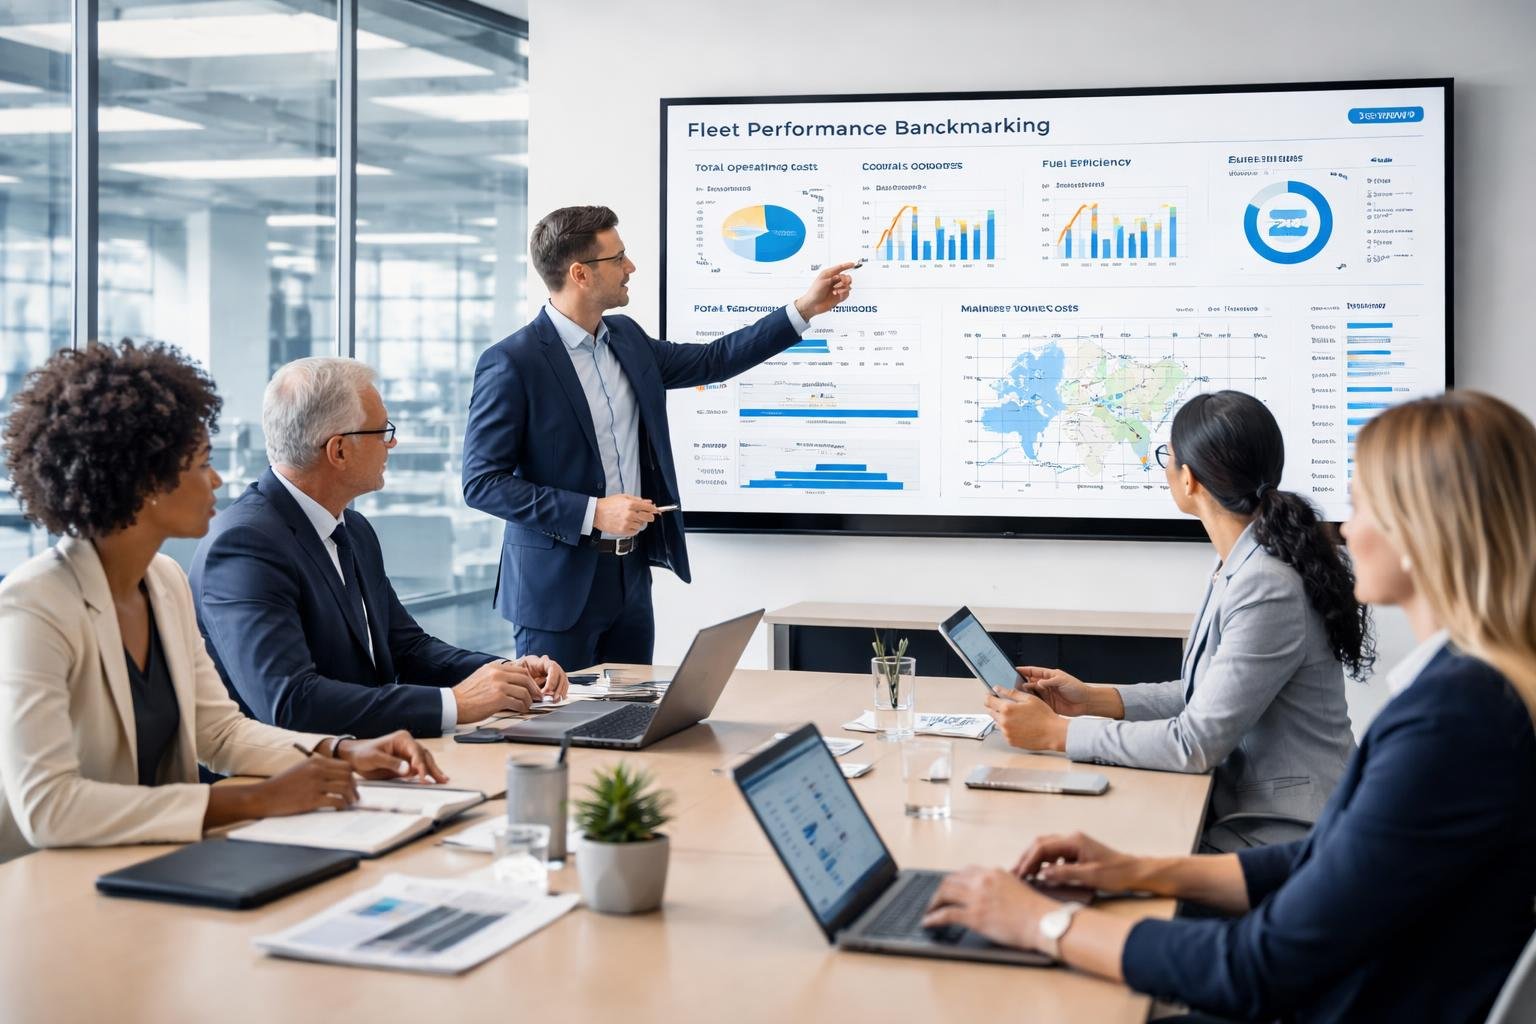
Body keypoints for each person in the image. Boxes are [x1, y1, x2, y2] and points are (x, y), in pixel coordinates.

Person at [923, 390, 1536, 1023]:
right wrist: (1135, 867)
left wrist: (1042, 921)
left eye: (1366, 504)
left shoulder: (1452, 723)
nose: (1349, 528)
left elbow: (1257, 968)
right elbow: (1320, 860)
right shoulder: (1465, 696)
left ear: (1425, 529)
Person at [0, 341, 445, 864]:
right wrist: (251, 799)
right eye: (202, 463)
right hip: (52, 884)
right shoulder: (34, 606)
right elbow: (48, 806)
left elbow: (220, 732)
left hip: (155, 857)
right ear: (146, 481)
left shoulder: (163, 581)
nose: (216, 480)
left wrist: (343, 751)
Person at [461, 205, 856, 669]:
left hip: (630, 577)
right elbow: (482, 483)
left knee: (629, 721)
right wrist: (593, 512)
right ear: (580, 274)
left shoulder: (626, 339)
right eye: (619, 258)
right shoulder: (512, 362)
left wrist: (804, 309)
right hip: (555, 590)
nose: (631, 268)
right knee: (555, 728)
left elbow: (714, 360)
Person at [985, 390, 1369, 850]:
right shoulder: (1242, 562)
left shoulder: (1266, 583)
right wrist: (1090, 699)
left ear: (1189, 480)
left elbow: (1194, 743)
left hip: (1285, 835)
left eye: (1167, 454)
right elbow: (1203, 697)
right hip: (1243, 813)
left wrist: (1056, 733)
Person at [189, 358, 567, 738]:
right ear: (338, 451)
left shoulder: (352, 528)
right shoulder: (244, 546)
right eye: (383, 432)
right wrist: (455, 704)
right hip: (282, 781)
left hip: (370, 759)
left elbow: (407, 648)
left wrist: (508, 674)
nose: (393, 443)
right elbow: (290, 703)